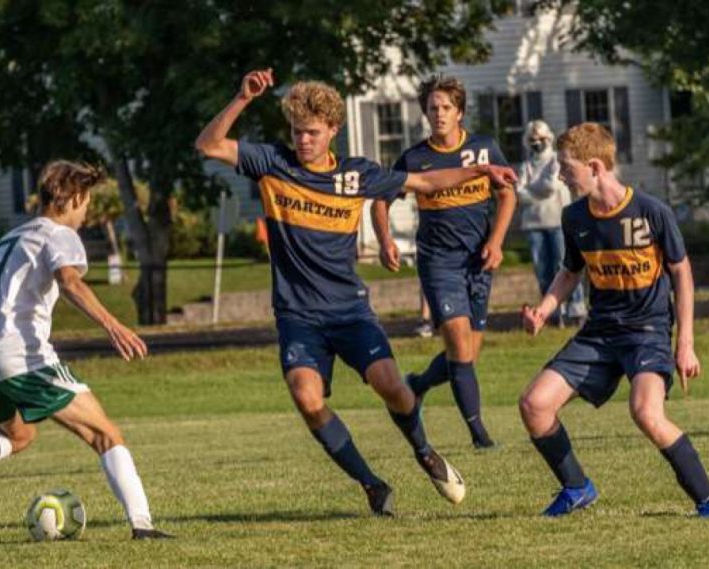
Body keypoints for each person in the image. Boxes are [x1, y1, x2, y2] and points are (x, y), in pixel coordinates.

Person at [195, 69, 516, 516]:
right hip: (298, 316)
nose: (302, 140)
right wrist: (241, 98)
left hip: (350, 312)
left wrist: (481, 169)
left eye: (311, 132)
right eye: (296, 131)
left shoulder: (356, 175)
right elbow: (208, 145)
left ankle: (424, 451)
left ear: (333, 130)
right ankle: (372, 485)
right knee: (307, 398)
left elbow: (425, 183)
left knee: (396, 391)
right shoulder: (272, 163)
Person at [0, 161, 172, 539]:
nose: (86, 212)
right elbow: (69, 281)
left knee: (20, 435)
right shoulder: (59, 234)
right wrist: (113, 324)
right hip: (20, 356)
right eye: (86, 201)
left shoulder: (8, 239)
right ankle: (143, 525)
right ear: (72, 198)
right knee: (106, 434)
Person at [518, 123, 709, 518]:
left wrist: (685, 343)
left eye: (567, 166)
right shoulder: (574, 217)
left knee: (646, 412)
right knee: (534, 404)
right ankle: (577, 487)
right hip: (599, 333)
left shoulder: (652, 212)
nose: (561, 174)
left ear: (595, 167)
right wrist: (544, 310)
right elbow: (569, 272)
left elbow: (682, 273)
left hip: (647, 333)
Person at [371, 74, 517, 449]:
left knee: (466, 352)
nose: (438, 114)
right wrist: (386, 240)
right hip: (439, 262)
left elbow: (507, 196)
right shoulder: (416, 158)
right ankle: (479, 434)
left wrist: (497, 242)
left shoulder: (484, 149)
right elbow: (381, 200)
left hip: (479, 261)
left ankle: (417, 385)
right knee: (457, 340)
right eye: (432, 108)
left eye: (446, 108)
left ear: (460, 112)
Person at [517, 120, 586, 325]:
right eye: (532, 139)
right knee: (542, 270)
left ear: (549, 138)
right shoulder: (526, 165)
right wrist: (532, 191)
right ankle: (552, 313)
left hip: (557, 221)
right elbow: (518, 193)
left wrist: (530, 189)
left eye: (541, 139)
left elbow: (551, 185)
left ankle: (576, 309)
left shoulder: (556, 161)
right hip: (533, 225)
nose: (537, 142)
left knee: (565, 267)